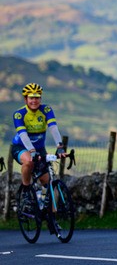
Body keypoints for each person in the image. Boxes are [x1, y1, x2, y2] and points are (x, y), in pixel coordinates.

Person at [11, 83, 68, 214]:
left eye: (37, 97)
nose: (34, 100)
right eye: (31, 98)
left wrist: (60, 147)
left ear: (40, 99)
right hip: (22, 147)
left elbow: (53, 128)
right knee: (29, 162)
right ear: (26, 99)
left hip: (40, 148)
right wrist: (32, 151)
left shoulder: (46, 110)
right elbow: (23, 135)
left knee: (49, 184)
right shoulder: (19, 114)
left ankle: (52, 218)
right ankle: (25, 190)